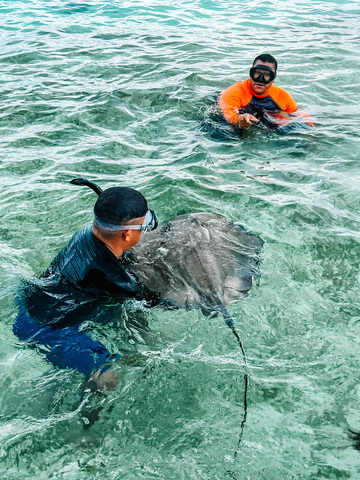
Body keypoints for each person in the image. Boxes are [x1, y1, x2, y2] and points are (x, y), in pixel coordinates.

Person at [13, 178, 160, 390]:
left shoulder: (86, 232)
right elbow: (153, 299)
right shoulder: (113, 277)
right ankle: (86, 402)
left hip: (31, 300)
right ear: (127, 234)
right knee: (109, 377)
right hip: (44, 330)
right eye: (144, 226)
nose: (145, 231)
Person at [219, 53, 311, 130]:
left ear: (273, 78)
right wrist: (239, 119)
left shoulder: (283, 97)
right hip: (236, 118)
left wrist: (310, 129)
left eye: (267, 74)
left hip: (265, 118)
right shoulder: (234, 91)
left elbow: (297, 114)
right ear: (251, 73)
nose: (260, 79)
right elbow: (228, 113)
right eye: (257, 73)